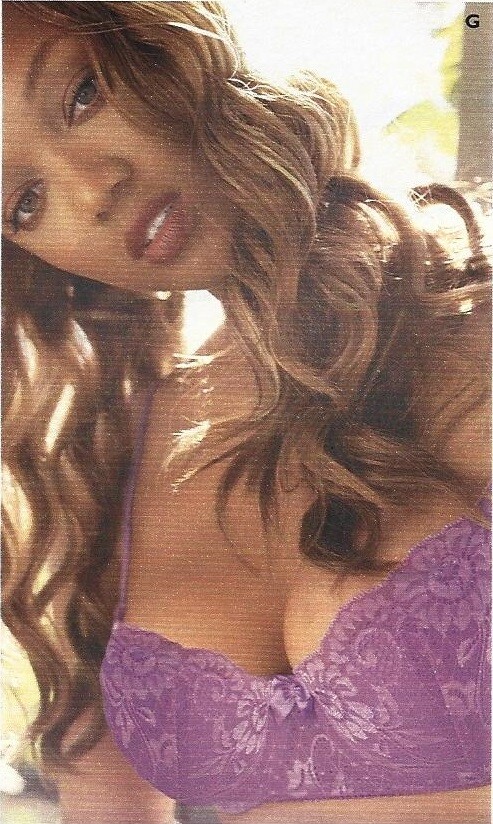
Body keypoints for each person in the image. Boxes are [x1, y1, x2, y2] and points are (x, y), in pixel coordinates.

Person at [2, 2, 491, 823]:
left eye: (82, 95)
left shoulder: (467, 327)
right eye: (23, 202)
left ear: (167, 49)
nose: (93, 189)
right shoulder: (115, 465)